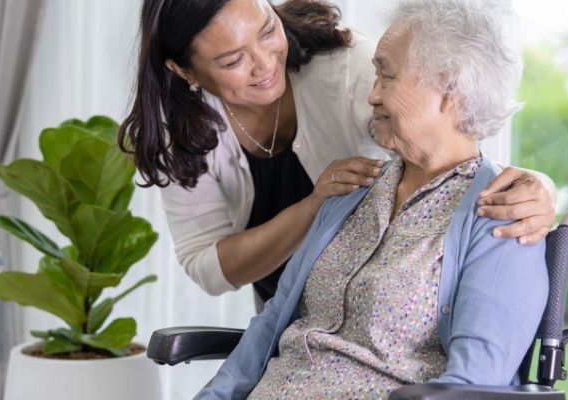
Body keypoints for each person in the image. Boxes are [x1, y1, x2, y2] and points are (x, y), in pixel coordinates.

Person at [197, 0, 547, 397]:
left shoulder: (502, 217)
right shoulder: (351, 189)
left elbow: (475, 384)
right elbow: (273, 320)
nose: (372, 96)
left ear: (449, 90)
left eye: (387, 77)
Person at [119, 0, 555, 303]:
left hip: (379, 307)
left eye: (268, 30)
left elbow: (458, 136)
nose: (266, 63)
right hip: (293, 322)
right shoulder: (180, 131)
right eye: (233, 60)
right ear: (183, 70)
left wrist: (538, 189)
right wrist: (313, 208)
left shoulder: (351, 70)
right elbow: (208, 266)